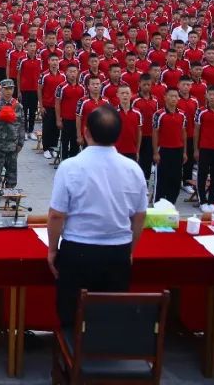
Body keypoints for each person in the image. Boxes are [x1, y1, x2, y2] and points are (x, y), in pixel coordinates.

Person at [47, 105, 148, 326]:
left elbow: (56, 215)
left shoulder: (71, 166)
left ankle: (74, 355)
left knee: (72, 314)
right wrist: (130, 250)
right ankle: (105, 352)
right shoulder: (133, 169)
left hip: (79, 251)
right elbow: (140, 216)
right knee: (110, 316)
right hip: (118, 252)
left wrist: (52, 249)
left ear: (86, 132)